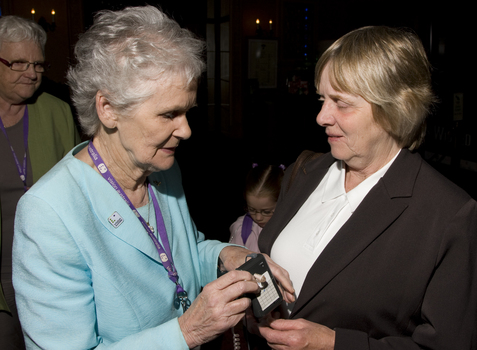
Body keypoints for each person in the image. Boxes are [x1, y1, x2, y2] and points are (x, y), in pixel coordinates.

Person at [12, 6, 294, 349]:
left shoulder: (161, 168)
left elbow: (181, 257)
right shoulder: (48, 213)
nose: (186, 130)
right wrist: (187, 332)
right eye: (168, 114)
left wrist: (227, 256)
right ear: (108, 109)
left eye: (187, 112)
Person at [256, 26, 477, 349]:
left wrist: (333, 344)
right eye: (322, 99)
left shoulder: (448, 214)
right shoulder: (306, 170)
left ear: (395, 108)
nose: (321, 116)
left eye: (341, 103)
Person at [0, 15, 80, 349]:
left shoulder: (57, 111)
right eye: (18, 63)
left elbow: (80, 187)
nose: (31, 73)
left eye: (37, 64)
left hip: (49, 269)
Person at [229, 163, 285, 253]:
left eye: (266, 212)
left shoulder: (290, 229)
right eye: (252, 209)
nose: (258, 217)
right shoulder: (241, 229)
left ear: (282, 203)